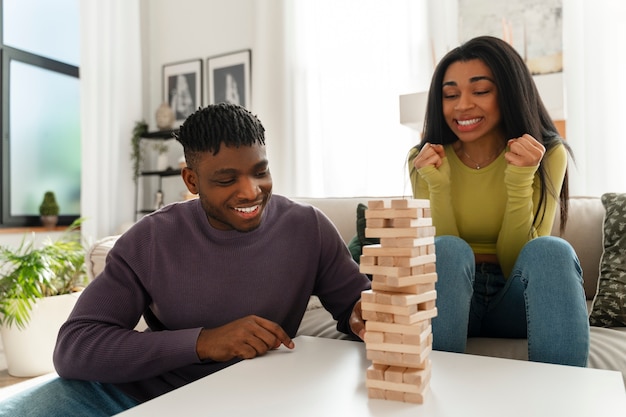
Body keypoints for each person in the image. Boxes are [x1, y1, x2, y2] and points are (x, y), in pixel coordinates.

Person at [0, 103, 371, 416]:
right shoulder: (149, 240)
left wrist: (365, 317)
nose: (251, 191)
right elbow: (74, 347)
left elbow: (354, 303)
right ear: (192, 180)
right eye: (227, 179)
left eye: (260, 172)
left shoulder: (308, 227)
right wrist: (204, 342)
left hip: (260, 393)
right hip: (150, 396)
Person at [407, 36, 589, 366]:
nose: (461, 105)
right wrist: (439, 186)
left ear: (509, 92)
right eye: (450, 95)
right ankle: (436, 397)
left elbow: (514, 259)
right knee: (447, 249)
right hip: (450, 299)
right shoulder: (424, 160)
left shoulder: (547, 154)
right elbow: (439, 257)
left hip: (517, 298)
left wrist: (520, 179)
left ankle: (564, 399)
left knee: (552, 250)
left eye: (480, 91)